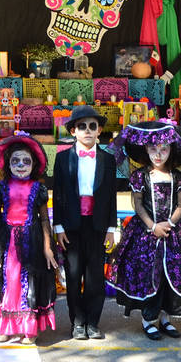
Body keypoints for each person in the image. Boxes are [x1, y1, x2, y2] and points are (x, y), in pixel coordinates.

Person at [107, 121, 181, 340]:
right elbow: (138, 204)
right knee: (151, 275)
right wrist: (153, 226)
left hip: (173, 231)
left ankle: (165, 318)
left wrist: (169, 224)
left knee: (171, 277)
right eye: (153, 149)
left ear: (171, 150)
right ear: (145, 149)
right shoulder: (140, 176)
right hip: (146, 232)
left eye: (163, 149)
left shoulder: (177, 176)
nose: (158, 155)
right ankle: (148, 319)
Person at [51, 105, 117, 340]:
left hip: (97, 224)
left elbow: (111, 195)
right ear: (73, 131)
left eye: (92, 126)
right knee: (73, 274)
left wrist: (111, 228)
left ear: (99, 130)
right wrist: (58, 226)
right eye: (82, 126)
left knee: (95, 276)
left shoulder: (108, 159)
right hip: (71, 225)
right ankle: (77, 322)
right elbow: (58, 193)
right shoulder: (62, 159)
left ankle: (93, 322)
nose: (87, 130)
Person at [0, 134, 57, 344]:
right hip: (6, 241)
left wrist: (47, 247)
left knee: (30, 282)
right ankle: (7, 326)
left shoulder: (38, 189)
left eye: (26, 161)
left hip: (31, 240)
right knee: (9, 281)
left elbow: (44, 219)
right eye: (15, 161)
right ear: (8, 164)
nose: (20, 165)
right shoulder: (1, 187)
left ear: (34, 165)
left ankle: (29, 329)